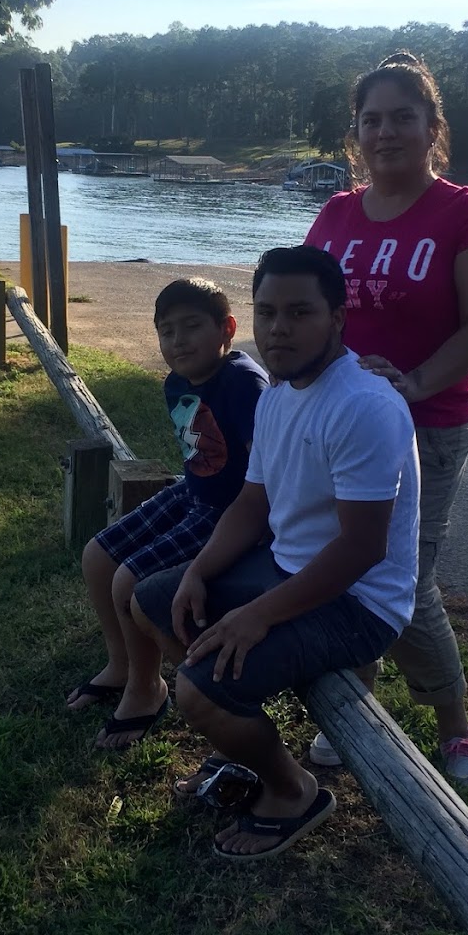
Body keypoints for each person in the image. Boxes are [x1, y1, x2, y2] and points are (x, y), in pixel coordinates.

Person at [131, 245, 420, 861]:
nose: (279, 329)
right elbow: (251, 505)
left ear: (337, 318)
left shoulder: (365, 407)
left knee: (197, 693)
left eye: (299, 312)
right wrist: (200, 572)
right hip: (287, 568)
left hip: (359, 602)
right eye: (266, 312)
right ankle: (241, 728)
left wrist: (259, 614)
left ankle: (293, 792)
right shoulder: (280, 395)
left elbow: (363, 549)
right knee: (155, 600)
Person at [304, 51, 468, 786]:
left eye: (402, 118)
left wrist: (413, 384)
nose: (385, 132)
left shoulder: (464, 214)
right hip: (339, 424)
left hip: (429, 425)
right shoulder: (334, 214)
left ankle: (455, 726)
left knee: (404, 580)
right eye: (372, 120)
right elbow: (307, 311)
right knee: (346, 567)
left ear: (431, 129)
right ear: (355, 133)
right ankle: (358, 699)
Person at [66, 277, 267, 750]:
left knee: (129, 581)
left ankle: (146, 688)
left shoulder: (243, 384)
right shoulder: (176, 382)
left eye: (192, 327)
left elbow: (265, 476)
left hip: (231, 511)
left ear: (227, 329)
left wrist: (254, 534)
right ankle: (120, 666)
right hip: (192, 493)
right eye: (166, 331)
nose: (178, 341)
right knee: (98, 556)